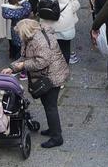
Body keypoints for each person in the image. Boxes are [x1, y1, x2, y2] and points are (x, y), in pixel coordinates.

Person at [4, 18, 70, 150]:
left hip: (52, 77)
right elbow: (25, 56)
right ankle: (52, 129)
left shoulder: (39, 42)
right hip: (49, 75)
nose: (18, 36)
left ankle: (57, 137)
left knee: (51, 106)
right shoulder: (30, 38)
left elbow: (41, 62)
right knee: (47, 104)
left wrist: (22, 65)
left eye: (19, 34)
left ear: (26, 32)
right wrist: (12, 68)